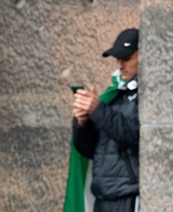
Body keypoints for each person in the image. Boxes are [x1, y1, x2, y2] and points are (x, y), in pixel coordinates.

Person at [72, 28, 141, 212]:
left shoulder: (148, 93)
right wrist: (82, 122)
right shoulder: (113, 95)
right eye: (117, 59)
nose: (120, 65)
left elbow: (138, 135)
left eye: (126, 58)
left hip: (129, 194)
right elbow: (89, 150)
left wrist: (97, 109)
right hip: (103, 195)